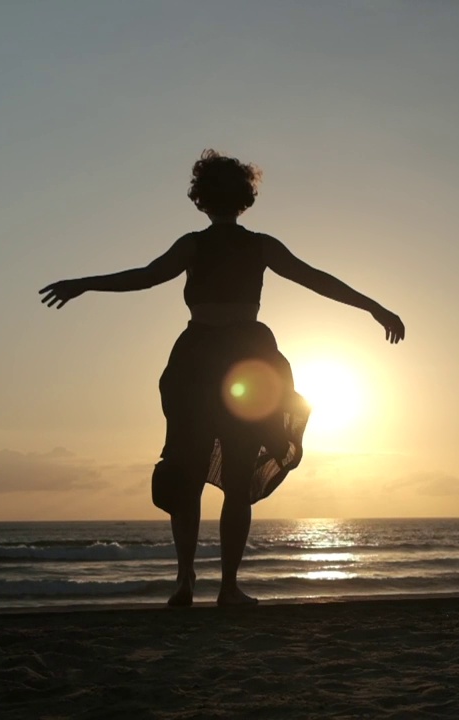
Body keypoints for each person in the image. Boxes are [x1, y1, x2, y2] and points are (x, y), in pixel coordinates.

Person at [40, 150, 405, 607]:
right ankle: (223, 585)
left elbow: (146, 277)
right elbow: (317, 280)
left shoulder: (207, 244)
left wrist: (84, 283)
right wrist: (374, 307)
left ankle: (187, 579)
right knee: (228, 478)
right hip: (241, 362)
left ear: (202, 199)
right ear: (243, 199)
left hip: (208, 361)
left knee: (190, 474)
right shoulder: (252, 244)